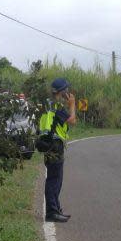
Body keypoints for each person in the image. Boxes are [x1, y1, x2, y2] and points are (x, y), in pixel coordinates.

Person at [39, 77, 77, 222]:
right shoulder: (56, 107)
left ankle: (56, 208)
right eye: (66, 89)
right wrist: (72, 105)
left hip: (48, 143)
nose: (68, 92)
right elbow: (72, 121)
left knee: (56, 178)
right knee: (54, 179)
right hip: (54, 144)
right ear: (62, 92)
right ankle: (51, 212)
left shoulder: (48, 105)